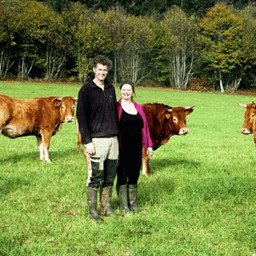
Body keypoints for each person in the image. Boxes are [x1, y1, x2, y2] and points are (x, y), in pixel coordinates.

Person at [76, 55, 119, 221]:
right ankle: (93, 210)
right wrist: (87, 142)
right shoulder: (86, 90)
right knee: (95, 175)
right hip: (96, 141)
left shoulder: (110, 88)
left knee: (109, 176)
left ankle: (107, 207)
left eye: (105, 70)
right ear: (94, 69)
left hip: (112, 140)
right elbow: (81, 116)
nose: (102, 72)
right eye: (99, 69)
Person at [116, 80, 153, 212]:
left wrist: (149, 145)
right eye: (123, 90)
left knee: (134, 174)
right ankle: (123, 205)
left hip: (137, 147)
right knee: (122, 174)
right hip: (121, 148)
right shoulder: (116, 107)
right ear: (120, 91)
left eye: (129, 90)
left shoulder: (138, 107)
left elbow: (145, 127)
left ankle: (133, 203)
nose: (126, 92)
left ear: (133, 92)